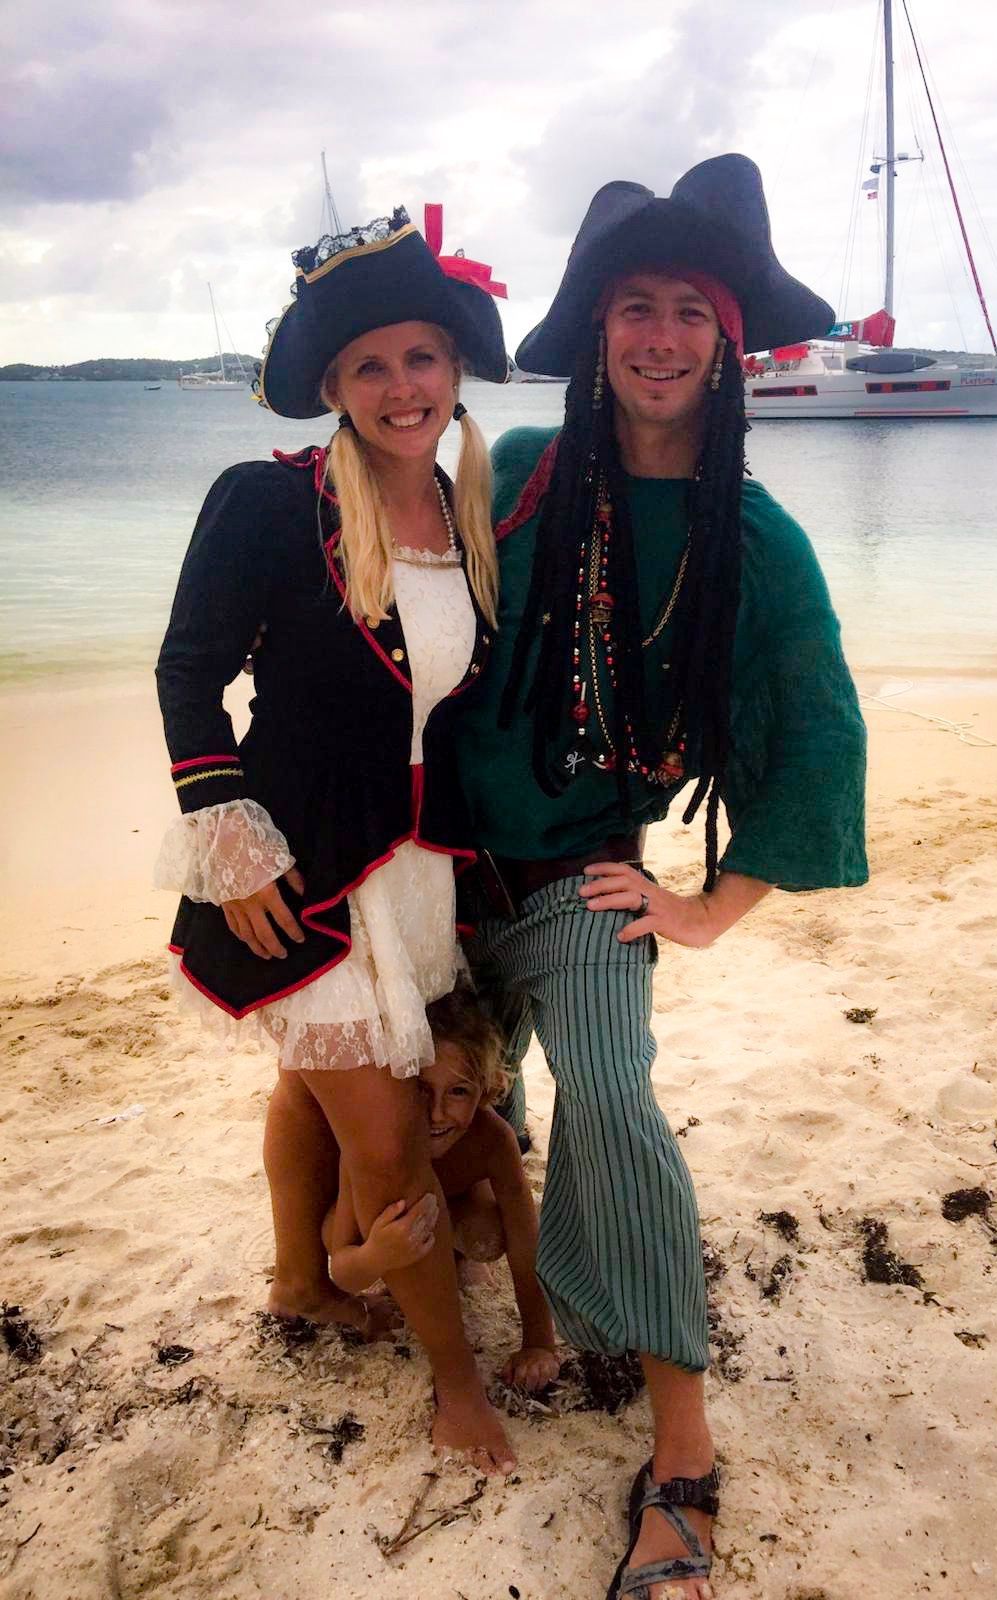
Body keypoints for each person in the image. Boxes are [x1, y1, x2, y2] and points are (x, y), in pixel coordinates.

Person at [458, 155, 868, 1597]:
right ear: (599, 331)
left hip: (583, 873)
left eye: (690, 310)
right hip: (440, 866)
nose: (659, 335)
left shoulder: (753, 540)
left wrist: (704, 909)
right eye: (635, 304)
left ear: (727, 339)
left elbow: (820, 743)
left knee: (612, 1091)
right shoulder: (512, 480)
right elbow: (382, 643)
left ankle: (681, 1449)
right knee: (449, 1114)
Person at [154, 203, 518, 1472]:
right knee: (385, 1134)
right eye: (370, 365)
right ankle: (455, 1386)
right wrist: (229, 835)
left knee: (308, 1087)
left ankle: (300, 1282)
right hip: (297, 868)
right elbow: (188, 671)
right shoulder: (268, 502)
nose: (401, 385)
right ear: (332, 387)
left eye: (421, 357)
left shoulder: (473, 521)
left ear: (454, 370)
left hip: (416, 870)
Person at [324, 985, 561, 1394]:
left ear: (486, 1091)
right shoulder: (373, 1146)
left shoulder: (493, 1139)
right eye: (420, 1090)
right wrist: (375, 1255)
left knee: (489, 1235)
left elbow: (525, 1241)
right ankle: (417, 1260)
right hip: (385, 1223)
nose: (436, 1113)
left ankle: (452, 1256)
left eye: (458, 1091)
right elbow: (342, 1269)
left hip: (453, 1211)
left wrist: (539, 1342)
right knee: (341, 1229)